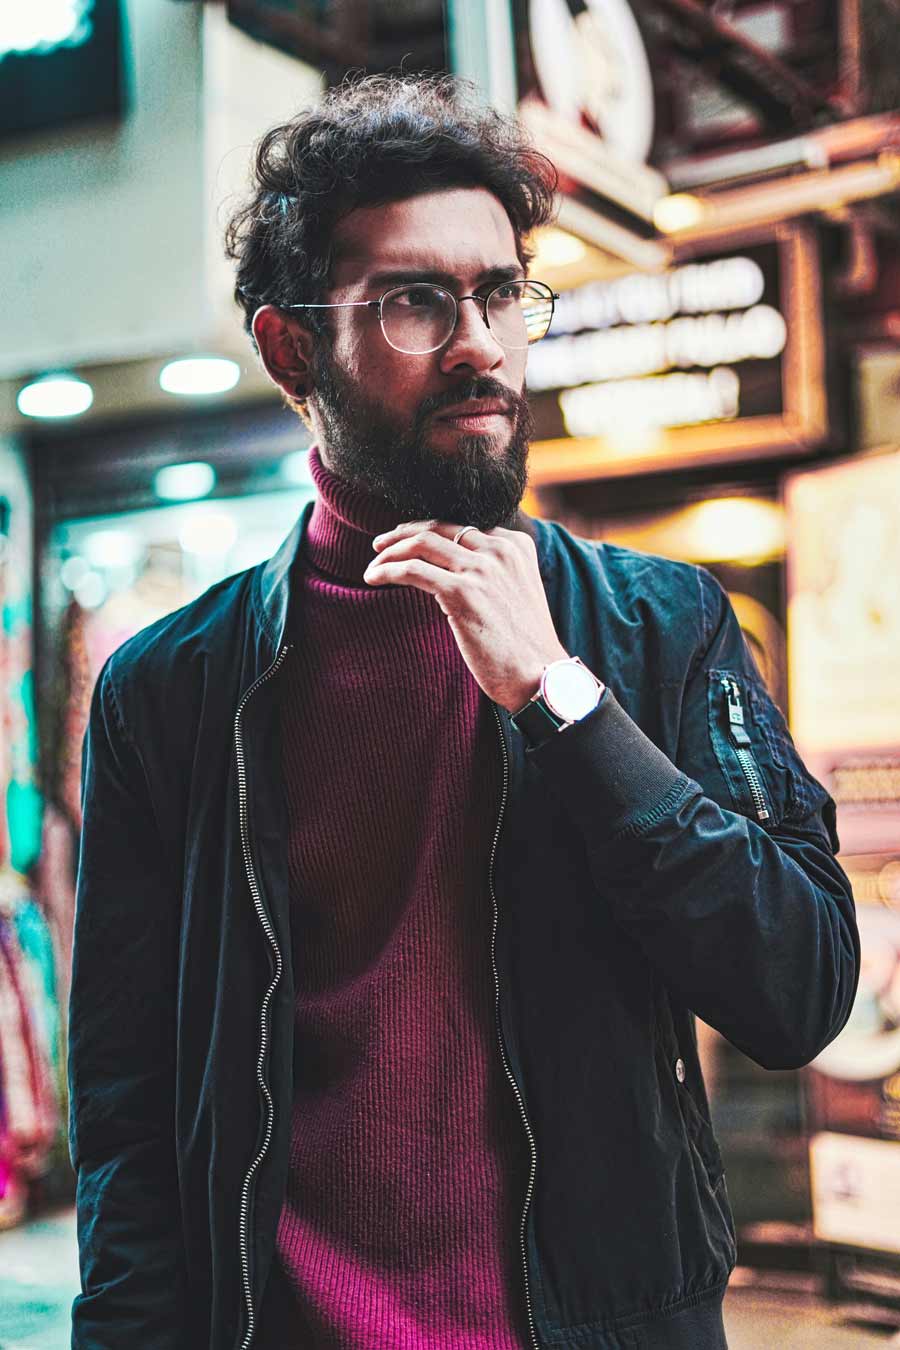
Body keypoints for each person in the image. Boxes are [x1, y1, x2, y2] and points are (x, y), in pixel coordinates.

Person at [68, 73, 859, 1350]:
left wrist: (564, 702)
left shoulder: (656, 627)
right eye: (413, 303)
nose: (480, 341)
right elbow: (126, 1103)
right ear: (289, 349)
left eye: (499, 292)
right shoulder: (173, 686)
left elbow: (802, 985)